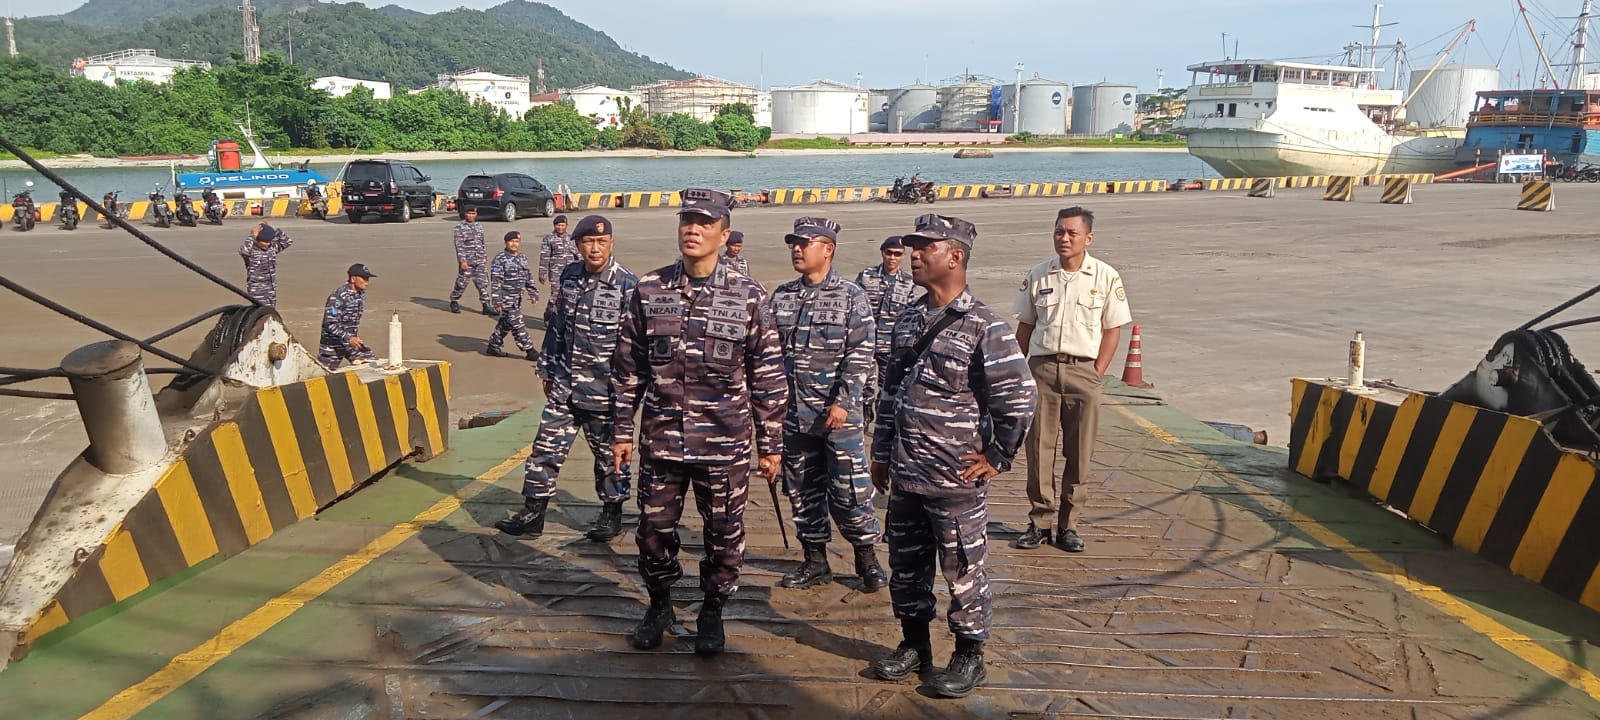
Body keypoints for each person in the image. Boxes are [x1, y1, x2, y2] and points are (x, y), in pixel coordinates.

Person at [611, 188, 787, 655]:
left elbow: (767, 373)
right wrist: (621, 433)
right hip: (662, 440)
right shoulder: (649, 289)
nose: (692, 229)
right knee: (653, 531)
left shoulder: (748, 295)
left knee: (724, 532)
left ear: (723, 233)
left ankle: (713, 610)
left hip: (725, 443)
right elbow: (628, 369)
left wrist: (771, 445)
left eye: (705, 223)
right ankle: (660, 602)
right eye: (687, 220)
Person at [866, 213, 1036, 699]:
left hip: (955, 479)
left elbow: (1019, 398)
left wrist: (997, 457)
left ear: (955, 256)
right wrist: (881, 454)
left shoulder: (985, 326)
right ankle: (914, 645)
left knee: (962, 569)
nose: (914, 255)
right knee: (906, 567)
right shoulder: (907, 320)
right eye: (913, 247)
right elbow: (891, 392)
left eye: (926, 247)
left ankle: (969, 655)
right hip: (906, 475)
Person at [496, 215, 639, 541]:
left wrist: (627, 396)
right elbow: (557, 328)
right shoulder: (570, 277)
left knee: (607, 457)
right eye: (588, 242)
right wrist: (547, 369)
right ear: (577, 245)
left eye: (602, 242)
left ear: (612, 243)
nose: (595, 248)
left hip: (605, 391)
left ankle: (611, 514)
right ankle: (533, 513)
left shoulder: (627, 285)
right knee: (544, 449)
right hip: (565, 384)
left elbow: (633, 349)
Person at [769, 216, 885, 592]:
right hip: (794, 415)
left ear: (828, 249)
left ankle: (866, 559)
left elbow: (861, 353)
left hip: (838, 417)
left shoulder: (851, 296)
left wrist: (843, 401)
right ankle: (814, 561)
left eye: (805, 243)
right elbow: (769, 355)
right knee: (802, 488)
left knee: (849, 489)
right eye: (794, 243)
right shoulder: (782, 296)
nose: (797, 250)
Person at [1011, 206, 1132, 553]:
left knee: (1079, 454)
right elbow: (1025, 327)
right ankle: (1039, 522)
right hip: (1043, 370)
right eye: (1059, 232)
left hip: (1084, 371)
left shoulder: (1106, 277)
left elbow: (1112, 330)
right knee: (1039, 451)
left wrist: (1097, 373)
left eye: (1071, 233)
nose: (1064, 238)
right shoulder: (1038, 275)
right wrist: (1020, 371)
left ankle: (1069, 525)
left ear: (1088, 238)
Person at [854, 235, 916, 424]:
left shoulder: (909, 283)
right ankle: (864, 414)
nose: (892, 257)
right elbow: (854, 307)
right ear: (882, 253)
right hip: (866, 341)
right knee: (864, 384)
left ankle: (882, 418)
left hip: (890, 346)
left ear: (903, 256)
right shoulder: (867, 276)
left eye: (897, 254)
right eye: (889, 253)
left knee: (886, 386)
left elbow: (910, 316)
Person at [485, 231, 540, 361]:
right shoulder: (500, 259)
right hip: (505, 298)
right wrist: (497, 301)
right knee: (517, 323)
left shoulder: (522, 258)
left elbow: (528, 277)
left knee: (506, 323)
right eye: (511, 241)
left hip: (517, 298)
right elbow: (496, 281)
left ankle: (493, 345)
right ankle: (529, 350)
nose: (514, 244)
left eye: (516, 241)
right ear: (506, 242)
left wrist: (533, 292)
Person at [319, 264, 379, 371]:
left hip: (350, 342)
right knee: (322, 373)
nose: (367, 282)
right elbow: (330, 323)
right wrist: (348, 337)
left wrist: (351, 338)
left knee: (370, 362)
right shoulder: (338, 297)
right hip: (333, 344)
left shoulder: (360, 294)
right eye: (364, 279)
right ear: (353, 279)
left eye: (368, 279)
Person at [449, 206, 494, 316]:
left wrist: (484, 257)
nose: (471, 215)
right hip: (467, 261)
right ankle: (454, 300)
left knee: (483, 283)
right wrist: (462, 261)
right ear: (465, 214)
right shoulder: (460, 227)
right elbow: (459, 246)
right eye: (469, 213)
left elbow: (482, 243)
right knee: (462, 283)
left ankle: (486, 305)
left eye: (473, 213)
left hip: (480, 260)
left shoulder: (479, 227)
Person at [239, 222, 293, 307]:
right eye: (264, 242)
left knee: (270, 313)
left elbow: (287, 241)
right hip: (257, 290)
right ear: (256, 240)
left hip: (271, 290)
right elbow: (243, 251)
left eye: (269, 241)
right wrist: (253, 235)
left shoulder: (271, 249)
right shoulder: (251, 253)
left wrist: (272, 230)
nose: (267, 244)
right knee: (261, 313)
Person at [538, 214, 575, 287]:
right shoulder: (548, 238)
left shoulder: (572, 238)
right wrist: (543, 273)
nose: (560, 227)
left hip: (570, 271)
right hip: (556, 272)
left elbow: (578, 255)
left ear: (566, 225)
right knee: (556, 294)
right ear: (554, 226)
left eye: (562, 225)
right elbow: (544, 257)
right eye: (558, 225)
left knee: (569, 293)